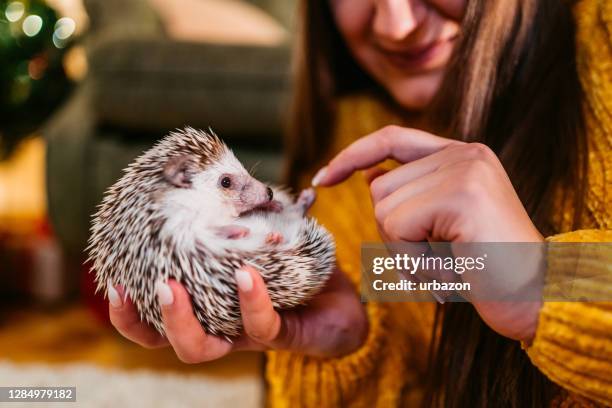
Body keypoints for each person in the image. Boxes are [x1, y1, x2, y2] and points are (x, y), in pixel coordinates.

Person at [106, 0, 612, 406]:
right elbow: (428, 313)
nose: (397, 24)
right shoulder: (349, 162)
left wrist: (539, 282)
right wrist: (348, 344)